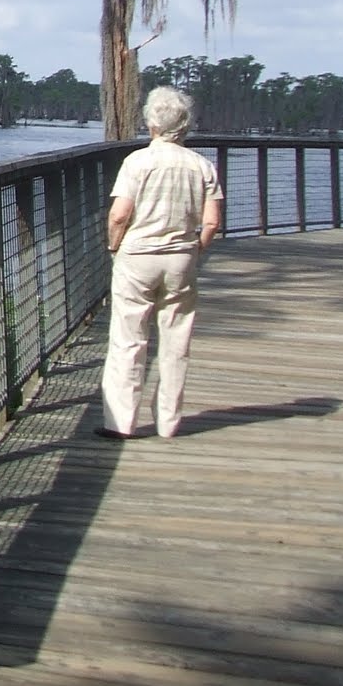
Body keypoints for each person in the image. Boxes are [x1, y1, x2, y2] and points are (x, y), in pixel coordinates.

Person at [99, 85, 223, 440]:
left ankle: (121, 423)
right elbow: (211, 222)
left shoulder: (137, 162)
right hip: (181, 257)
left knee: (128, 338)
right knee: (176, 339)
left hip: (138, 255)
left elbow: (119, 215)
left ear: (151, 123)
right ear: (185, 125)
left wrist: (114, 246)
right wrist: (196, 249)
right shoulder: (202, 166)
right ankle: (168, 422)